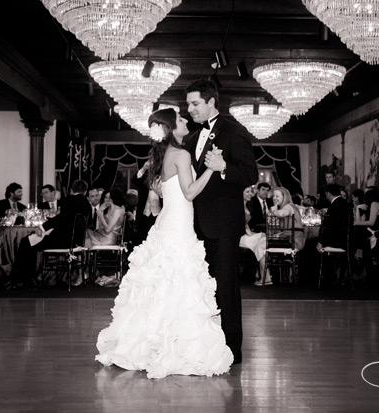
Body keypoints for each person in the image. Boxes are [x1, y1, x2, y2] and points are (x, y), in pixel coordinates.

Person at [96, 107, 234, 379]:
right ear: (171, 128)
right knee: (178, 279)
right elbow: (190, 192)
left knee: (164, 281)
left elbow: (158, 193)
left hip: (169, 221)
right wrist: (211, 169)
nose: (186, 121)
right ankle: (173, 344)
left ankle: (154, 341)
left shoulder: (162, 156)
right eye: (181, 119)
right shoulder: (181, 154)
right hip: (178, 224)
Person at [184, 79, 259, 365]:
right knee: (201, 287)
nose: (190, 109)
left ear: (211, 101)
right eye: (188, 104)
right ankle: (205, 344)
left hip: (224, 225)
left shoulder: (233, 131)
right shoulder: (191, 138)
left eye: (195, 103)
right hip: (194, 227)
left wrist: (224, 167)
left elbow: (250, 174)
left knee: (226, 288)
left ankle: (231, 351)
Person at [9, 179, 92, 288]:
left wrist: (42, 227)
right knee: (31, 243)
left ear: (71, 190)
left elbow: (61, 219)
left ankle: (19, 279)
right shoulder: (87, 205)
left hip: (63, 241)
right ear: (85, 191)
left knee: (26, 242)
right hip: (75, 241)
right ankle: (29, 278)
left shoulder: (69, 200)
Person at [239, 187, 271, 287]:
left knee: (261, 242)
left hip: (246, 234)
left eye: (251, 192)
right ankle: (264, 275)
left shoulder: (247, 206)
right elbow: (238, 224)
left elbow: (246, 224)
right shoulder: (236, 206)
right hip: (238, 237)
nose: (250, 194)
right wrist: (249, 233)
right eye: (247, 192)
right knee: (262, 239)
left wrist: (250, 233)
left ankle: (264, 275)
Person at [269, 187, 306, 252]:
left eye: (277, 196)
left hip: (293, 241)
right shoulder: (286, 207)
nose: (274, 198)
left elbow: (281, 214)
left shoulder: (288, 206)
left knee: (263, 243)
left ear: (284, 197)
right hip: (292, 238)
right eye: (273, 196)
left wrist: (274, 210)